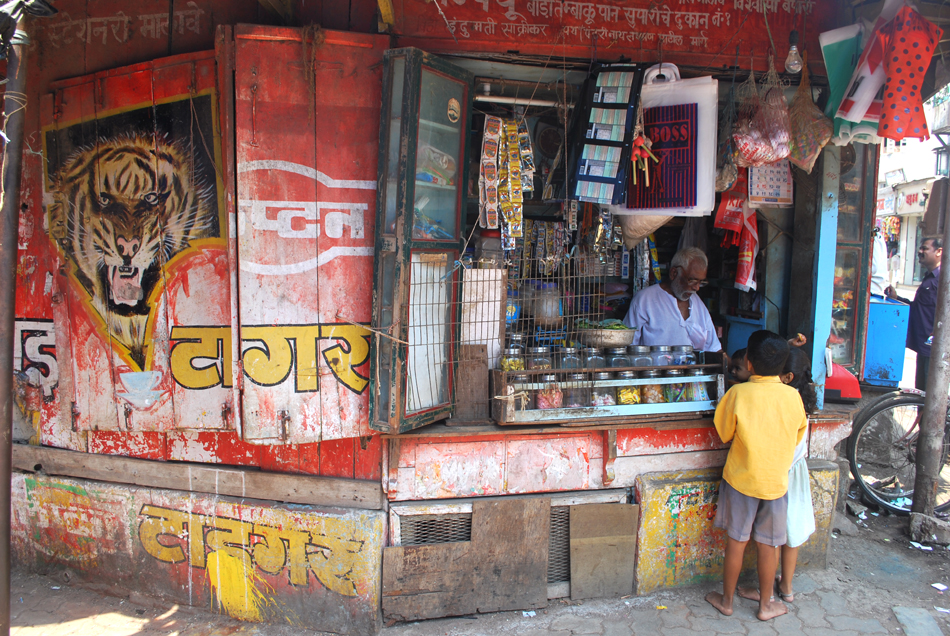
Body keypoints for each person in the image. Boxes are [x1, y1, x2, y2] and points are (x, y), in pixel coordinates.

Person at [705, 330, 808, 621]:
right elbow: (798, 434)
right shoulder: (792, 397)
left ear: (748, 362)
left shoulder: (737, 393)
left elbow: (724, 433)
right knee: (769, 544)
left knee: (736, 542)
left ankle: (726, 601)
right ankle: (766, 605)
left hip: (741, 479)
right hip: (776, 482)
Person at [735, 347, 818, 606]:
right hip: (793, 470)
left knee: (773, 535)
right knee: (790, 531)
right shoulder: (795, 398)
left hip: (780, 471)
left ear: (787, 377)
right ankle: (787, 587)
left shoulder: (785, 400)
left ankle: (766, 594)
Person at [623, 247, 721, 352]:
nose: (696, 288)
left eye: (701, 282)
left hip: (691, 368)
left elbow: (714, 348)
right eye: (692, 280)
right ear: (674, 273)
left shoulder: (698, 304)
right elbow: (627, 345)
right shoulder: (644, 300)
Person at [886, 237, 942, 391]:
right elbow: (919, 308)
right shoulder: (929, 279)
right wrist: (898, 299)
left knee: (928, 395)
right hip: (924, 346)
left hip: (934, 349)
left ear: (939, 252)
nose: (920, 251)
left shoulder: (942, 280)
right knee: (921, 394)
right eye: (920, 248)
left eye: (925, 248)